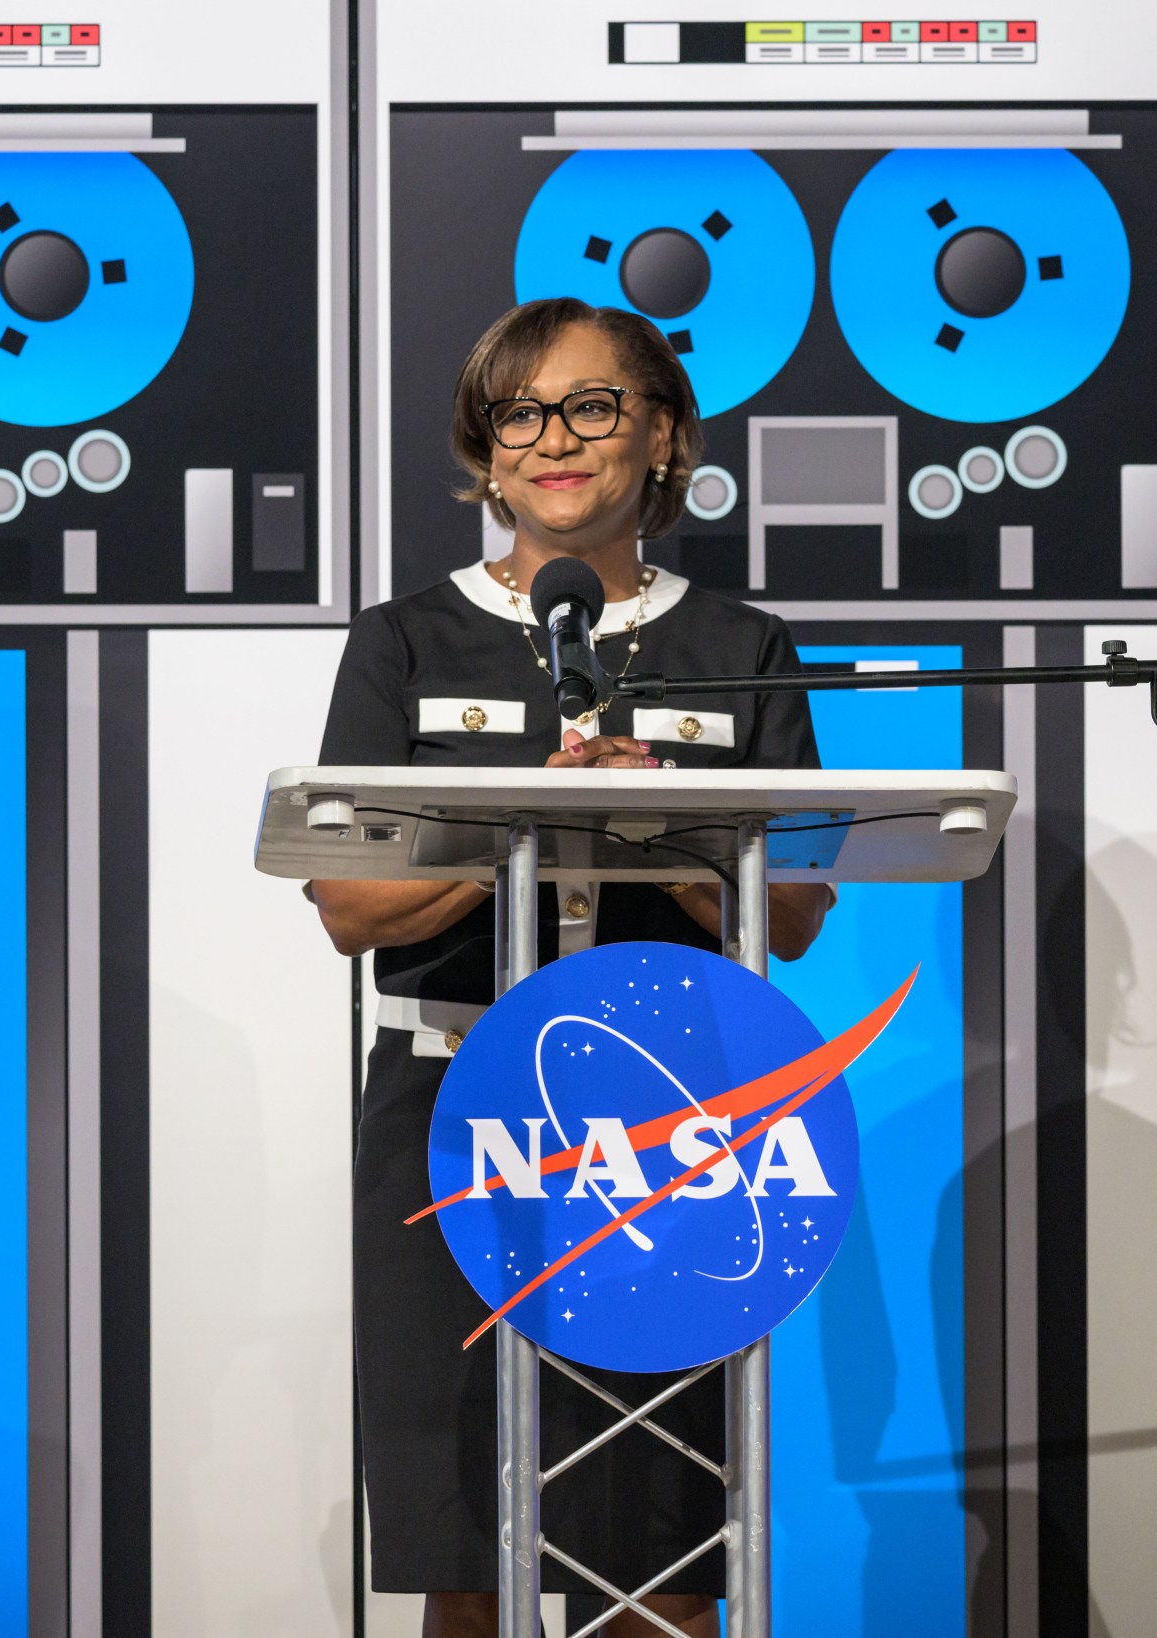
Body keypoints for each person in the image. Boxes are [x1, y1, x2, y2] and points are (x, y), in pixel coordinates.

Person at [311, 297, 830, 1638]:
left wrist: (651, 823)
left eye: (592, 407)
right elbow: (351, 902)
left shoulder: (745, 649)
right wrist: (520, 822)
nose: (555, 440)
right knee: (470, 1543)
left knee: (662, 1532)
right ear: (484, 450)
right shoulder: (404, 639)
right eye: (520, 414)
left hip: (675, 1115)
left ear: (659, 434)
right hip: (450, 1110)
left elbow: (803, 912)